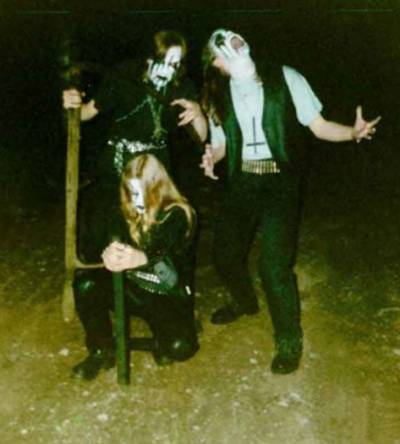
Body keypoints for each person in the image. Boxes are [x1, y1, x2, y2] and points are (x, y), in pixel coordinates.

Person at [200, 29, 381, 374]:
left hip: (279, 182)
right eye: (221, 41)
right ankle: (244, 301)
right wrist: (213, 156)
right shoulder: (217, 94)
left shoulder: (286, 78)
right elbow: (221, 143)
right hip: (242, 182)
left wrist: (352, 133)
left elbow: (319, 126)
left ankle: (288, 340)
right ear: (218, 62)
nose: (231, 37)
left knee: (273, 268)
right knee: (224, 255)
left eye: (234, 35)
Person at [63, 30, 206, 262]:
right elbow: (86, 113)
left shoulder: (181, 87)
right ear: (149, 58)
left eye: (175, 64)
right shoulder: (124, 76)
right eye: (164, 61)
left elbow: (200, 136)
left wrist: (198, 114)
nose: (169, 70)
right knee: (109, 231)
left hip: (156, 172)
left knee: (157, 233)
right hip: (117, 166)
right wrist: (72, 104)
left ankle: (152, 274)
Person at [72, 154, 199, 381]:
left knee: (180, 347)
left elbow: (163, 245)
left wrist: (141, 257)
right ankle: (101, 350)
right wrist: (107, 254)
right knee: (85, 284)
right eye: (132, 191)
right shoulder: (122, 207)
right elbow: (97, 243)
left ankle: (160, 341)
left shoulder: (179, 213)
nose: (137, 198)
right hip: (131, 287)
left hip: (166, 295)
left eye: (144, 190)